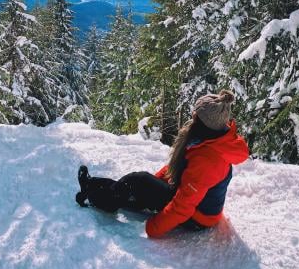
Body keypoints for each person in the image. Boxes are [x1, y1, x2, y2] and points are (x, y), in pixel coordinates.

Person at [75, 90, 249, 238]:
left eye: (196, 114)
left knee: (137, 181)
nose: (192, 116)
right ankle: (94, 186)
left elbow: (183, 206)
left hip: (198, 218)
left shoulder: (208, 159)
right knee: (138, 185)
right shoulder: (212, 140)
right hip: (200, 207)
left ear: (204, 122)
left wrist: (152, 228)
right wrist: (154, 183)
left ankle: (97, 196)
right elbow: (182, 168)